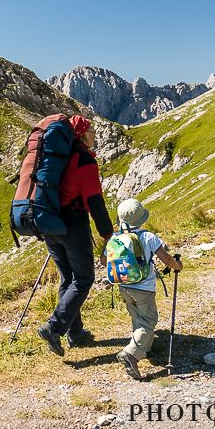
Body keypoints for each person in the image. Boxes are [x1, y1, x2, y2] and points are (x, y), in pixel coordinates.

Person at [36, 114, 114, 357]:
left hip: (49, 224)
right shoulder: (83, 161)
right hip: (72, 225)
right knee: (83, 278)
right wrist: (107, 234)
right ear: (80, 135)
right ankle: (54, 327)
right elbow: (94, 201)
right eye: (90, 131)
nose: (94, 135)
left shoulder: (55, 159)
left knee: (67, 278)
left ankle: (75, 333)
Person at [112, 197, 183, 380]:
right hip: (144, 287)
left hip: (123, 286)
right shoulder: (148, 236)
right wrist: (177, 266)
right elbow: (165, 258)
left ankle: (145, 347)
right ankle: (132, 353)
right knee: (148, 320)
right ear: (141, 219)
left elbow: (105, 261)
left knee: (137, 317)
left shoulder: (115, 238)